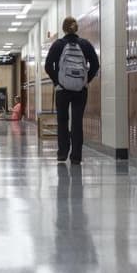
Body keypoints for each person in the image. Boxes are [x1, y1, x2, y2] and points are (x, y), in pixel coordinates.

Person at [44, 16, 99, 165]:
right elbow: (95, 64)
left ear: (63, 29)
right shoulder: (85, 44)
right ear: (76, 28)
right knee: (77, 122)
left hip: (62, 90)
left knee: (62, 121)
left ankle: (62, 153)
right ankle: (76, 156)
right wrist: (85, 81)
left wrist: (58, 81)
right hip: (80, 90)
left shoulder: (58, 45)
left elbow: (48, 66)